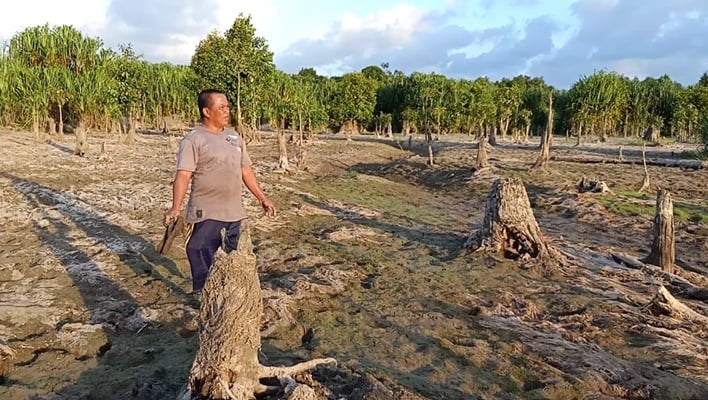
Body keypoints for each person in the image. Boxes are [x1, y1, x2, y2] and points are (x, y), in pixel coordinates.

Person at [164, 89, 275, 293]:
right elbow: (183, 176)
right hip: (206, 212)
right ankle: (205, 296)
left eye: (227, 107)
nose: (227, 111)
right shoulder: (193, 140)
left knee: (233, 259)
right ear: (207, 111)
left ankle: (229, 298)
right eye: (221, 107)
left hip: (235, 213)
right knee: (199, 251)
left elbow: (245, 170)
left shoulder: (233, 137)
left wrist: (262, 198)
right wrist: (175, 208)